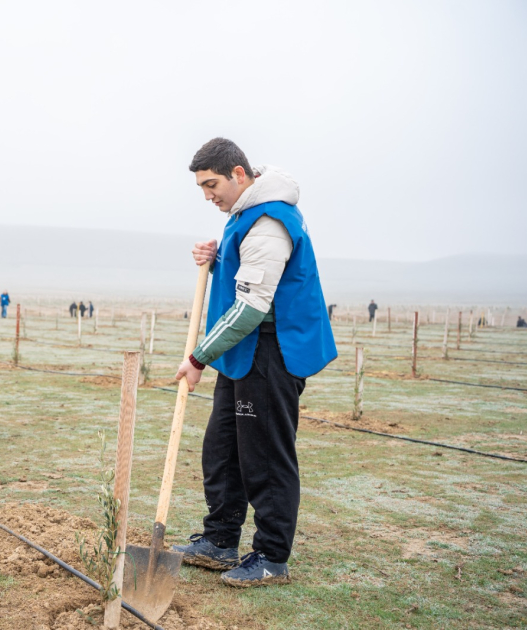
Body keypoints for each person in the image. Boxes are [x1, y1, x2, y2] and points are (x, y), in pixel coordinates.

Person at [172, 138, 337, 587]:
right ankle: (221, 540)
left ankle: (270, 556)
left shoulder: (269, 220)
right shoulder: (245, 215)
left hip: (272, 351)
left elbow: (250, 307)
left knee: (265, 455)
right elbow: (247, 271)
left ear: (239, 174)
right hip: (244, 350)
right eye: (202, 188)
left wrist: (198, 359)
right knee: (222, 448)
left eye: (212, 184)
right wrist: (218, 255)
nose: (208, 196)